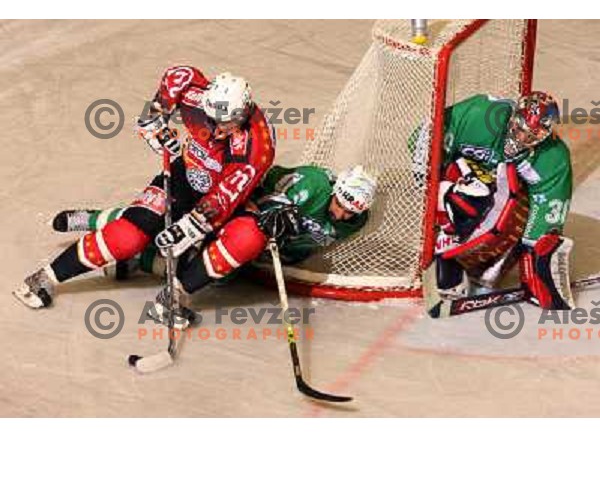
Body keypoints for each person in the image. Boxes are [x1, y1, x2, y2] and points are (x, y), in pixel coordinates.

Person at [14, 66, 276, 309]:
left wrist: (186, 230)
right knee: (129, 235)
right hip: (184, 177)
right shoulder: (195, 96)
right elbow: (177, 77)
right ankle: (46, 275)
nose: (216, 129)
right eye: (212, 119)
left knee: (244, 243)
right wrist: (154, 120)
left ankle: (173, 292)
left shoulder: (257, 144)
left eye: (225, 123)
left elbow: (223, 199)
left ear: (242, 113)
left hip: (226, 201)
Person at [46, 164, 377, 322]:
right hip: (243, 207)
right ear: (336, 192)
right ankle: (94, 218)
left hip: (263, 244)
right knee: (165, 225)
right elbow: (268, 195)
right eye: (343, 206)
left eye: (352, 212)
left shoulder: (355, 221)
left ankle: (138, 261)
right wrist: (274, 213)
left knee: (219, 274)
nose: (344, 216)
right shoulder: (316, 185)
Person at [425, 91, 573, 310]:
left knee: (520, 210)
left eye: (533, 135)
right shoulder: (480, 115)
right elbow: (424, 138)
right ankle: (438, 255)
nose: (522, 139)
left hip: (493, 196)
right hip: (453, 181)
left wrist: (539, 269)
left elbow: (545, 223)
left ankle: (483, 266)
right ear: (513, 116)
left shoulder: (553, 160)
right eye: (520, 129)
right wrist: (431, 183)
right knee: (473, 196)